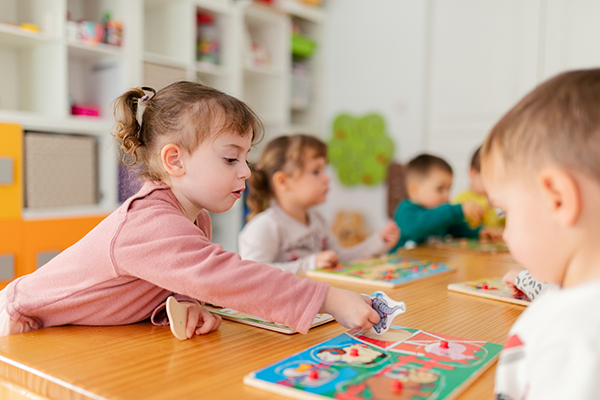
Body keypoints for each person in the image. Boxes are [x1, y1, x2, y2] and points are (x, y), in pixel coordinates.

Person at [0, 82, 380, 339]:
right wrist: (326, 297)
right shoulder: (150, 222)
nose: (246, 171)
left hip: (68, 331)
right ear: (175, 161)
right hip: (22, 321)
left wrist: (183, 304)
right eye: (231, 158)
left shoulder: (195, 217)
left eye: (245, 158)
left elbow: (172, 279)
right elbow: (221, 276)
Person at [480, 69, 600, 399]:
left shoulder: (576, 339)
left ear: (558, 199)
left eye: (505, 212)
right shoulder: (568, 299)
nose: (504, 233)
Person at [238, 134, 400, 274]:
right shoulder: (266, 225)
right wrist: (309, 265)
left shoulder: (317, 220)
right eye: (316, 171)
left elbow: (339, 258)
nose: (326, 178)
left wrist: (377, 242)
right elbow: (254, 274)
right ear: (283, 181)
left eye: (324, 170)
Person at [390, 154, 495, 252]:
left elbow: (457, 229)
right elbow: (419, 225)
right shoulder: (405, 211)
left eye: (449, 189)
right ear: (414, 190)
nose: (447, 196)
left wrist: (479, 232)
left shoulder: (441, 216)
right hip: (397, 267)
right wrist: (458, 210)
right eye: (440, 189)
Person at [454, 146, 505, 229]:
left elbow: (492, 225)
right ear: (473, 173)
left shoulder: (488, 198)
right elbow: (458, 227)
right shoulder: (462, 200)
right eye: (489, 178)